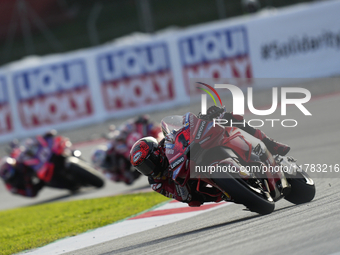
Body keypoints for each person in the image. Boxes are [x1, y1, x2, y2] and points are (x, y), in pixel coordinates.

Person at [130, 106, 290, 207]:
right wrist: (178, 182)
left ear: (156, 153)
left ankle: (270, 144)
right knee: (193, 199)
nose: (149, 170)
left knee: (228, 117)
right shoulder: (156, 183)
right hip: (191, 184)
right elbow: (182, 196)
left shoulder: (167, 143)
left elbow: (185, 130)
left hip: (196, 154)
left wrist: (205, 118)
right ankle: (232, 192)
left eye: (148, 163)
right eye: (143, 168)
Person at [92, 115, 161, 184]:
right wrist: (126, 172)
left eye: (107, 160)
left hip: (137, 147)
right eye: (105, 165)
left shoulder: (113, 146)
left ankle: (153, 139)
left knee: (132, 138)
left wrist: (136, 122)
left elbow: (119, 133)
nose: (108, 164)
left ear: (107, 153)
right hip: (137, 161)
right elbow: (128, 180)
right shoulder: (109, 173)